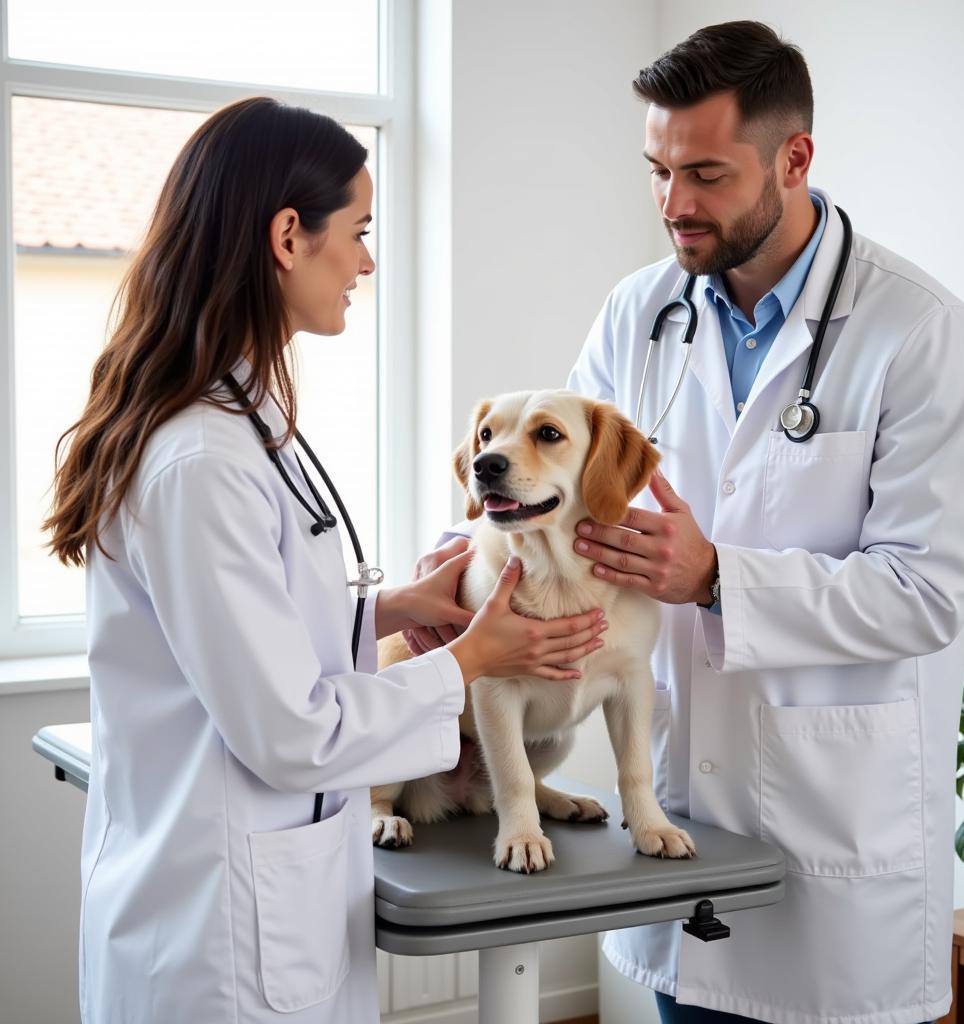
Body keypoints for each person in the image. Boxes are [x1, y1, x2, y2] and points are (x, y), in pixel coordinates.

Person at [409, 21, 964, 1024]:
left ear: (793, 158)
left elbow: (927, 594)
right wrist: (471, 560)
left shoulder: (917, 332)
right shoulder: (639, 312)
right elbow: (562, 497)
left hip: (834, 827)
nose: (674, 204)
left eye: (706, 174)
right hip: (676, 819)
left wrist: (720, 578)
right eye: (656, 170)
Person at [43, 97, 607, 1024]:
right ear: (287, 236)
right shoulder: (202, 460)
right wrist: (469, 661)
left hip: (264, 902)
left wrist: (388, 609)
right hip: (217, 939)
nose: (369, 261)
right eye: (360, 231)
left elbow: (250, 621)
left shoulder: (244, 422)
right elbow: (286, 729)